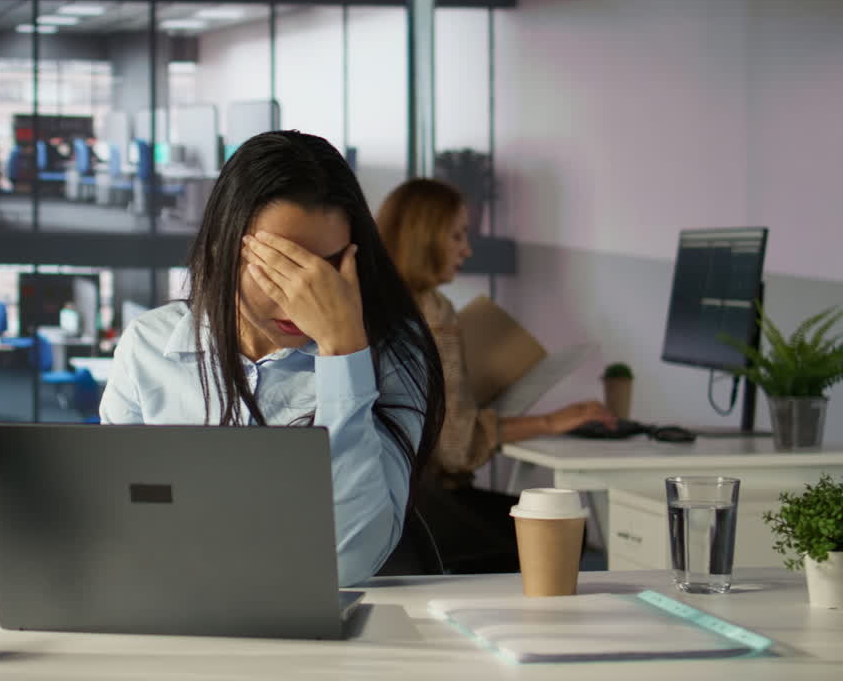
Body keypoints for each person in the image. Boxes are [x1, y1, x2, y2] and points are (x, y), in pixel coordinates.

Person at [100, 130, 446, 586]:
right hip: (179, 606)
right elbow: (118, 526)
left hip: (325, 623)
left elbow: (346, 561)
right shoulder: (148, 345)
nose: (301, 296)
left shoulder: (393, 353)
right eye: (279, 266)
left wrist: (343, 352)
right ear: (223, 249)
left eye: (326, 271)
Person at [375, 178, 615, 572]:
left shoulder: (374, 301)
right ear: (423, 237)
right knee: (562, 531)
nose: (466, 249)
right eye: (457, 235)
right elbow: (457, 448)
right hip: (420, 511)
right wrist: (553, 421)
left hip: (383, 505)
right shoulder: (434, 313)